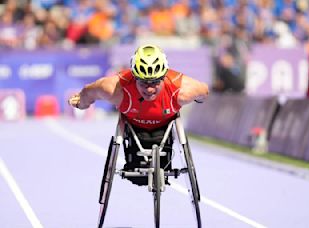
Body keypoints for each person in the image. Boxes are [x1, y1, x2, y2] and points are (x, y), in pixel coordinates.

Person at [68, 44, 209, 185]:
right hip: (133, 128)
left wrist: (199, 97)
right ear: (134, 77)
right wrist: (82, 102)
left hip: (165, 127)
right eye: (143, 83)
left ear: (164, 77)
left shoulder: (182, 90)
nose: (149, 89)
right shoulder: (115, 89)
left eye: (155, 82)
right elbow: (89, 91)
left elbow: (204, 90)